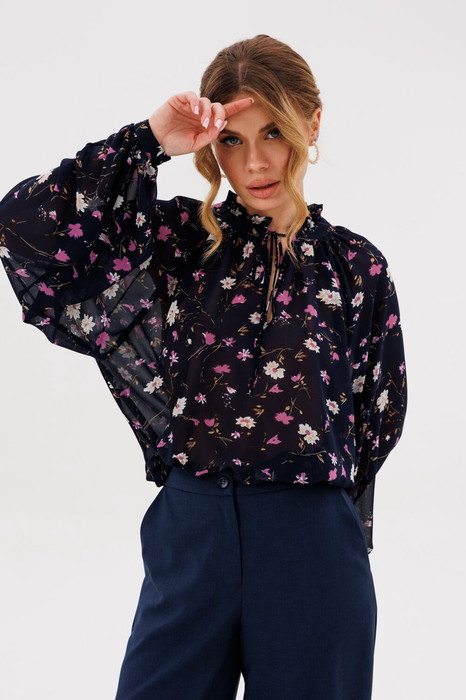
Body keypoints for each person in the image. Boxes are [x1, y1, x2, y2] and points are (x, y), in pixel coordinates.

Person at [0, 34, 407, 700]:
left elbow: (376, 416)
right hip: (191, 531)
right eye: (233, 140)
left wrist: (331, 532)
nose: (255, 161)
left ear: (312, 123)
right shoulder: (174, 242)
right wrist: (148, 141)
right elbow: (23, 229)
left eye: (273, 132)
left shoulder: (355, 266)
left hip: (312, 545)